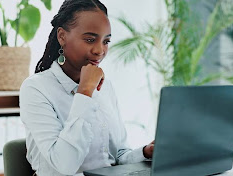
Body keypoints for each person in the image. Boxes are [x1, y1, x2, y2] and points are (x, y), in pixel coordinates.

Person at [19, 0, 154, 175]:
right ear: (62, 36)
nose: (100, 50)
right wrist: (85, 92)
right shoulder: (36, 88)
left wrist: (145, 152)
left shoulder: (105, 87)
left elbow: (118, 156)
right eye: (90, 39)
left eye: (106, 41)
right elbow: (64, 165)